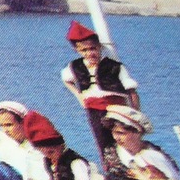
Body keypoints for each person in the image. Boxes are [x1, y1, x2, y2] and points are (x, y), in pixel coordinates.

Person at [60, 21, 140, 158]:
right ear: (77, 50)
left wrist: (135, 114)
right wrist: (79, 96)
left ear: (99, 47)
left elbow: (131, 91)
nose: (90, 53)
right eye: (84, 50)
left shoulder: (115, 67)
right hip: (94, 111)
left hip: (116, 109)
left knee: (123, 141)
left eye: (93, 48)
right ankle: (111, 172)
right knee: (103, 143)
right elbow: (66, 80)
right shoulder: (75, 66)